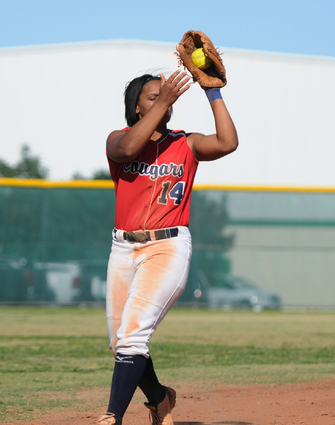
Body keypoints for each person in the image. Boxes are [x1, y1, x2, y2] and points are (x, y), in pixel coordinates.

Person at [97, 69, 238, 425]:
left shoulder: (185, 143)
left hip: (167, 246)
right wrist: (164, 102)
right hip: (123, 249)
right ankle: (160, 399)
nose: (165, 97)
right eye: (153, 96)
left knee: (132, 337)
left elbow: (227, 143)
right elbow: (128, 149)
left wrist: (213, 92)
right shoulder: (118, 139)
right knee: (122, 343)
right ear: (137, 108)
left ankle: (112, 417)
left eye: (166, 95)